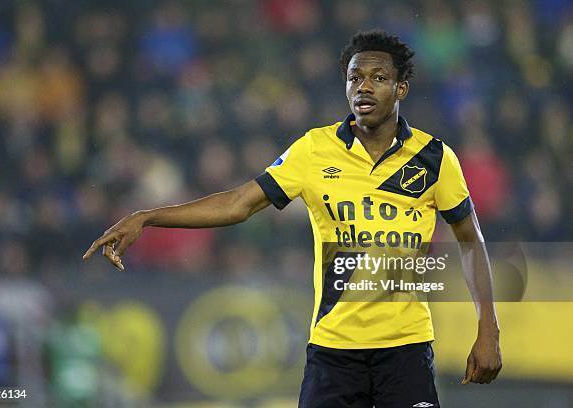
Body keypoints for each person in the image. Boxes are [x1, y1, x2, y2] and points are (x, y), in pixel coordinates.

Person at [83, 30, 502, 407]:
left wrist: (489, 330)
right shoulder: (313, 150)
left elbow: (471, 241)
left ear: (401, 88)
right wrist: (148, 216)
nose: (364, 86)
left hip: (407, 347)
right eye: (355, 77)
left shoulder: (434, 158)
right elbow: (238, 203)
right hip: (334, 350)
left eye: (378, 77)